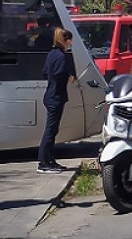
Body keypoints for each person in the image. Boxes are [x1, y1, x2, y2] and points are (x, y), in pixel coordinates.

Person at [38, 27, 76, 173]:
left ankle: (50, 159)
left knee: (53, 130)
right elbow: (59, 74)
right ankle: (43, 162)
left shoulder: (51, 54)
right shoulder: (61, 56)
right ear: (65, 40)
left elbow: (45, 73)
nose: (70, 43)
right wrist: (69, 77)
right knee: (50, 130)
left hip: (50, 94)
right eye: (70, 40)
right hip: (56, 97)